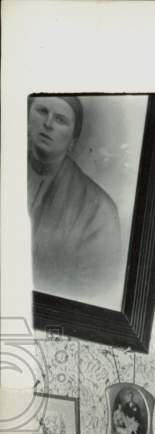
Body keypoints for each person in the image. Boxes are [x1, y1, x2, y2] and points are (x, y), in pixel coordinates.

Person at [27, 95, 122, 300]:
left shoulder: (99, 211)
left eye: (60, 119)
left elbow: (95, 294)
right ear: (27, 121)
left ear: (73, 142)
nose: (48, 123)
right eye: (42, 111)